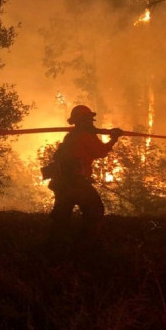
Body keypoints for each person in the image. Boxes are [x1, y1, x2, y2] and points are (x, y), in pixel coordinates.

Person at [47, 105, 122, 249]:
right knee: (95, 211)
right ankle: (85, 246)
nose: (91, 122)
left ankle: (55, 247)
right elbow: (101, 152)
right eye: (88, 119)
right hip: (77, 184)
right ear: (82, 120)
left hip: (62, 183)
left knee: (61, 217)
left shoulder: (71, 136)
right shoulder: (85, 136)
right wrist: (114, 138)